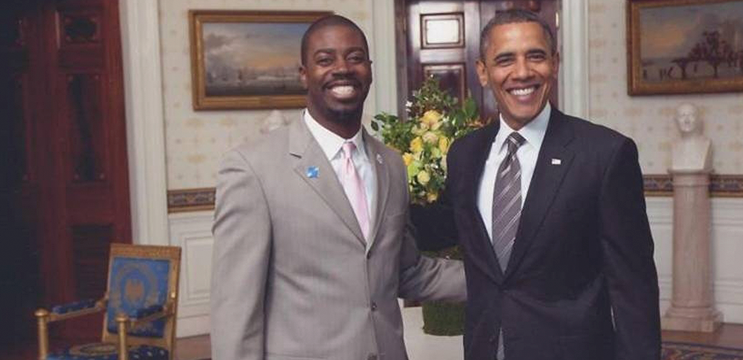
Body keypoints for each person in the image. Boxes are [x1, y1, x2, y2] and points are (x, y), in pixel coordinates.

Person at [210, 15, 466, 360]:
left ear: (370, 70)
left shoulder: (390, 164)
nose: (342, 68)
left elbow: (406, 271)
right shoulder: (252, 169)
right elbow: (235, 311)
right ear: (304, 74)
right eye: (325, 59)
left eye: (355, 57)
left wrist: (503, 277)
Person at [442, 10, 661, 359]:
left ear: (555, 64)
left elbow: (633, 286)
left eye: (536, 56)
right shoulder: (464, 154)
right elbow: (444, 234)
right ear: (483, 72)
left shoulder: (604, 154)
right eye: (505, 60)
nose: (523, 72)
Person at [671, 103, 713, 171]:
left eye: (691, 115)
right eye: (682, 116)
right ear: (675, 121)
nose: (687, 120)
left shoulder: (707, 143)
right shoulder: (673, 144)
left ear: (698, 120)